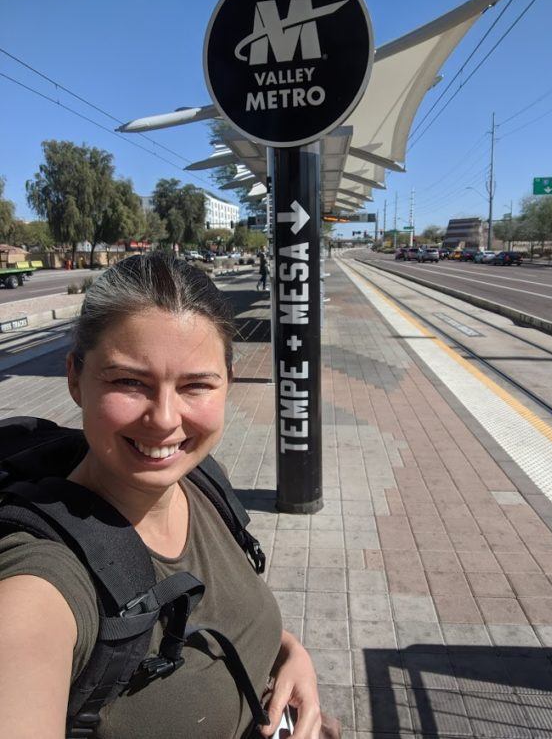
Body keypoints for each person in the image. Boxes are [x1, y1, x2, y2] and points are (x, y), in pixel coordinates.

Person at [0, 253, 327, 739]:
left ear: (228, 384)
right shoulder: (40, 590)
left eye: (196, 385)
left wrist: (288, 653)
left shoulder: (201, 483)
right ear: (74, 378)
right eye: (130, 382)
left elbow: (226, 615)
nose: (165, 419)